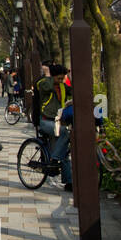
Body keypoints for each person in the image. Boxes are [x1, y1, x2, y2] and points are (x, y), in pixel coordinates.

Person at [39, 64, 73, 192]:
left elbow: (73, 90)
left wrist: (69, 76)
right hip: (46, 121)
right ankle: (54, 158)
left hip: (59, 121)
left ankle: (69, 182)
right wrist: (49, 76)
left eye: (62, 78)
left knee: (64, 151)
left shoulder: (63, 86)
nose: (61, 81)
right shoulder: (44, 83)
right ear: (53, 77)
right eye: (58, 79)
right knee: (65, 133)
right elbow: (45, 86)